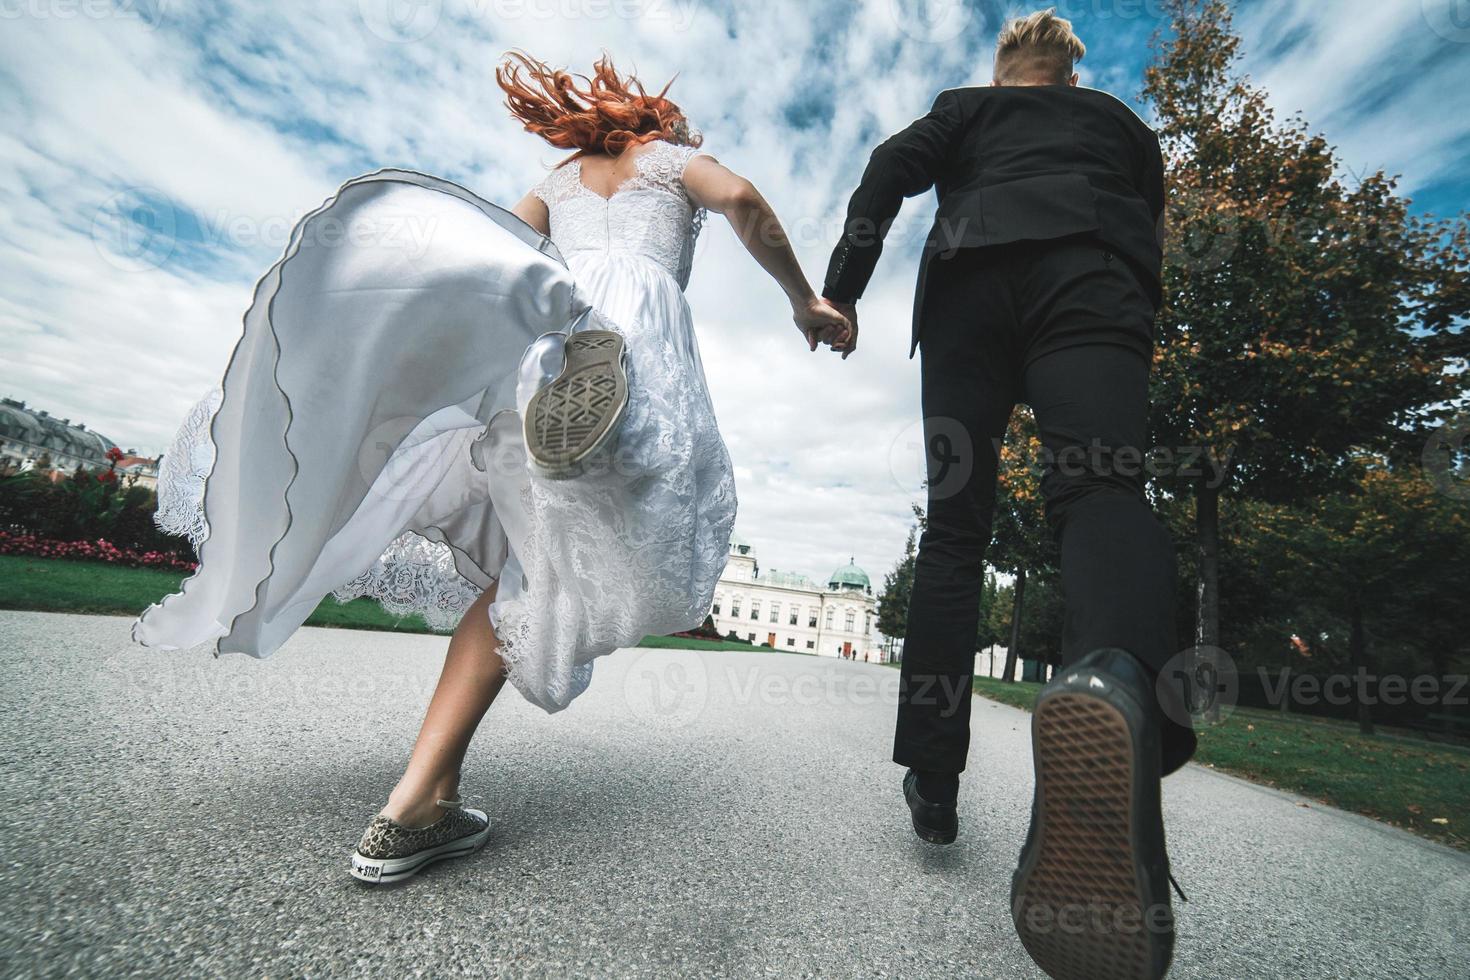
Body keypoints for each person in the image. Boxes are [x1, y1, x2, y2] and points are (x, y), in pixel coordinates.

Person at [133, 52, 851, 884]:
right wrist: (806, 298)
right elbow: (744, 201)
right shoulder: (670, 159)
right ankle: (410, 803)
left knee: (528, 571)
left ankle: (424, 798)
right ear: (660, 122)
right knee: (578, 562)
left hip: (546, 346)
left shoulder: (564, 178)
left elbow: (495, 249)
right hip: (635, 343)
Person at [823, 10, 1194, 980]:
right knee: (1102, 489)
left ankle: (935, 778)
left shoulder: (963, 110)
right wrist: (1129, 318)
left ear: (1004, 70)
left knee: (954, 532)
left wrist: (845, 286)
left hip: (967, 295)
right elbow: (1152, 229)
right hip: (1091, 279)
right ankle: (1115, 680)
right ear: (1069, 77)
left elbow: (887, 171)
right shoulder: (1120, 127)